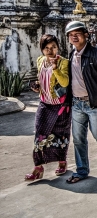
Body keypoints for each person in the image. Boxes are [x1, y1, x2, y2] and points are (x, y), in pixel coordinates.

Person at [64, 21, 97, 184]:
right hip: (76, 104)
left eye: (77, 33)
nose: (74, 36)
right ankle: (81, 171)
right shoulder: (71, 55)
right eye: (71, 34)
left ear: (86, 35)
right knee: (78, 139)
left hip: (94, 104)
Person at [25, 34, 71, 181]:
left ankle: (62, 162)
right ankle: (38, 167)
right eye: (47, 48)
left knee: (61, 134)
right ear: (42, 49)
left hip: (61, 106)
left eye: (53, 47)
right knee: (40, 134)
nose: (50, 51)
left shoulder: (63, 62)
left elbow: (64, 83)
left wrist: (55, 68)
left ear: (58, 47)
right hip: (45, 104)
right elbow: (42, 79)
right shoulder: (40, 61)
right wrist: (37, 86)